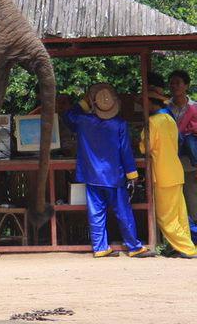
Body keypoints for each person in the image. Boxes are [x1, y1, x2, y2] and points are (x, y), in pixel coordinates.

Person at [61, 84, 148, 258]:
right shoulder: (120, 124)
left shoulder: (83, 121)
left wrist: (84, 103)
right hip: (113, 175)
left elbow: (67, 116)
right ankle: (133, 246)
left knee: (96, 211)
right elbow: (125, 152)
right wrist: (132, 174)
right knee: (123, 211)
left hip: (91, 175)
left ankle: (100, 247)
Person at [139, 75, 197, 258]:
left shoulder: (152, 122)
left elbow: (144, 148)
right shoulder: (169, 119)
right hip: (175, 171)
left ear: (150, 103)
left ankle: (188, 249)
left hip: (163, 175)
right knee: (180, 214)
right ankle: (184, 246)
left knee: (166, 217)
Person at [166, 70, 197, 235]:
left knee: (192, 200)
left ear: (186, 85)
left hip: (189, 164)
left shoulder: (195, 107)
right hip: (170, 163)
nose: (174, 86)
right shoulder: (164, 107)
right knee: (173, 205)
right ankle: (178, 239)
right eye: (172, 83)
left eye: (178, 82)